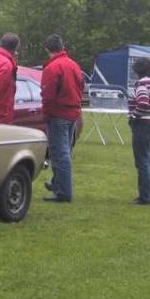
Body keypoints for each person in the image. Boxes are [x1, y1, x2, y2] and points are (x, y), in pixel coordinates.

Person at [41, 34, 84, 203]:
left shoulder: (52, 68)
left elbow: (48, 95)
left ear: (47, 49)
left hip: (58, 114)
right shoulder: (74, 65)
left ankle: (64, 192)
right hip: (73, 112)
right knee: (65, 150)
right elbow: (81, 87)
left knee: (60, 153)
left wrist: (46, 114)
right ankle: (57, 183)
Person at [128, 57, 150, 205]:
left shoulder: (142, 84)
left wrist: (133, 116)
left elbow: (142, 102)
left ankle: (144, 197)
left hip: (144, 125)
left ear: (138, 71)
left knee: (142, 162)